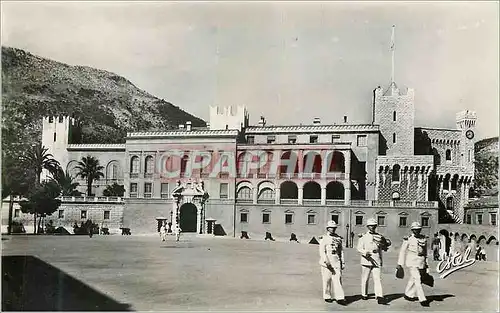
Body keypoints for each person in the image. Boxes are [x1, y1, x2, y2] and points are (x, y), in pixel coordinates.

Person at [357, 218, 390, 304]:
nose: (372, 227)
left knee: (377, 278)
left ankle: (379, 296)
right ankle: (364, 294)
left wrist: (384, 249)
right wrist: (365, 253)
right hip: (366, 259)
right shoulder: (363, 236)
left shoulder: (379, 236)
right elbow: (359, 248)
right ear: (367, 226)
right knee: (365, 278)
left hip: (376, 259)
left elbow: (382, 248)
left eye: (374, 225)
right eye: (371, 225)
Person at [397, 222, 430, 307]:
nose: (417, 231)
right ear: (412, 230)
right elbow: (402, 251)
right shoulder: (408, 239)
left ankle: (408, 294)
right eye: (415, 230)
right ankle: (422, 299)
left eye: (418, 230)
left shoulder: (423, 239)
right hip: (412, 261)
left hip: (421, 261)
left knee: (413, 279)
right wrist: (400, 264)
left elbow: (425, 252)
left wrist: (426, 263)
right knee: (417, 278)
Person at [318, 221, 346, 305]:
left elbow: (341, 251)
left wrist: (342, 262)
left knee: (338, 279)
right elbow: (322, 251)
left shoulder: (338, 238)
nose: (333, 229)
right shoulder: (324, 238)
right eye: (331, 228)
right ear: (327, 228)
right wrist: (326, 261)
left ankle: (340, 297)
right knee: (327, 280)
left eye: (334, 228)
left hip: (336, 261)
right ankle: (327, 296)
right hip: (327, 262)